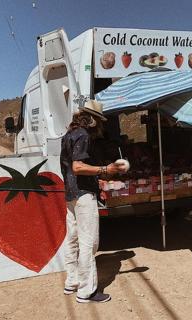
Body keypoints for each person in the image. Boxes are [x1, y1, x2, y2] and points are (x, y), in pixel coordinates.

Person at [60, 99, 124, 303]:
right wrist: (106, 170)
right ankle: (86, 291)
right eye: (100, 121)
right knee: (89, 241)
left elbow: (70, 167)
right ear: (93, 121)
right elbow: (78, 167)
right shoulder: (83, 135)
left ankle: (72, 282)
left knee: (72, 238)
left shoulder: (68, 134)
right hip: (82, 193)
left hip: (70, 193)